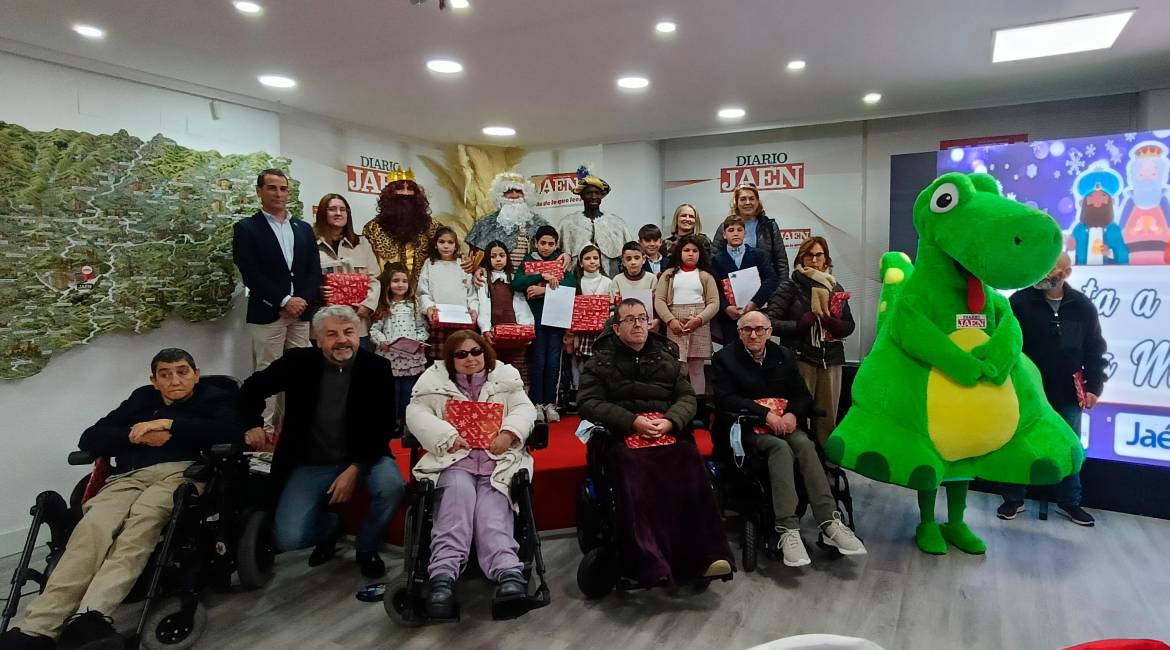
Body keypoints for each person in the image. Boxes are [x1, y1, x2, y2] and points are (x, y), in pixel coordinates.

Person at [0, 349, 244, 650]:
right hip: (127, 476)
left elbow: (232, 431)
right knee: (91, 530)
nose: (175, 380)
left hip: (180, 474)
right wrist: (133, 435)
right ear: (154, 380)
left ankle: (91, 617)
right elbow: (90, 437)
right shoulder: (142, 399)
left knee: (139, 527)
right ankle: (37, 628)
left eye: (182, 371)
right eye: (165, 374)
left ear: (196, 373)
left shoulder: (214, 397)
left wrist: (169, 425)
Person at [238, 306, 405, 578]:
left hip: (366, 456)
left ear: (358, 334)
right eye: (331, 334)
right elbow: (250, 389)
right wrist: (253, 424)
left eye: (348, 332)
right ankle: (330, 527)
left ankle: (366, 547)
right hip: (311, 460)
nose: (342, 339)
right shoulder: (298, 363)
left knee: (392, 487)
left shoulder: (376, 367)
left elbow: (384, 425)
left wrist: (356, 468)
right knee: (289, 538)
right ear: (317, 339)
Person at [577, 299, 735, 586]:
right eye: (630, 320)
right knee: (631, 465)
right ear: (616, 328)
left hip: (664, 430)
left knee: (689, 456)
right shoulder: (599, 362)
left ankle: (710, 554)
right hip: (621, 435)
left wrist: (671, 421)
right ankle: (648, 559)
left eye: (642, 318)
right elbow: (588, 402)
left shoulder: (666, 356)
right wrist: (631, 422)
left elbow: (687, 398)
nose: (638, 324)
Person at [711, 312, 867, 567]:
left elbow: (802, 395)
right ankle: (787, 529)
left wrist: (794, 414)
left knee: (805, 444)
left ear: (769, 331)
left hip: (785, 424)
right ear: (739, 332)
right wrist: (765, 415)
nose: (754, 334)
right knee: (780, 448)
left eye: (760, 329)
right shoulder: (724, 358)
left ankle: (830, 522)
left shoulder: (782, 355)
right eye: (747, 329)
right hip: (746, 429)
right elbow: (726, 399)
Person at [405, 331, 539, 619]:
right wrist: (446, 435)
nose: (470, 359)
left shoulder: (505, 379)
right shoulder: (433, 383)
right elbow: (416, 414)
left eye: (476, 352)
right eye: (461, 354)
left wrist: (509, 432)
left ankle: (508, 573)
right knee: (455, 505)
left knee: (492, 514)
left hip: (496, 461)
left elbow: (524, 409)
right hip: (455, 461)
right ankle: (442, 576)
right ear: (450, 358)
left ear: (485, 353)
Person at [997, 253, 1106, 526]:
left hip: (1068, 393)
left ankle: (1070, 502)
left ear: (1065, 273)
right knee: (1017, 444)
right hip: (1026, 392)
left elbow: (1094, 350)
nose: (1043, 276)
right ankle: (1013, 498)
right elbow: (1007, 343)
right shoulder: (1019, 302)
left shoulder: (1082, 306)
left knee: (1069, 448)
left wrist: (1094, 387)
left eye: (1050, 271)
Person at [232, 168, 321, 432]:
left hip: (301, 314)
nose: (278, 194)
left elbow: (313, 271)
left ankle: (295, 430)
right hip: (268, 313)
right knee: (267, 375)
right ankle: (265, 433)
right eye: (272, 188)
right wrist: (283, 301)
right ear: (259, 191)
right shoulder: (247, 228)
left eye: (283, 188)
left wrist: (302, 300)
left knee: (301, 376)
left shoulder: (303, 228)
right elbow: (250, 272)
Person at [763, 236, 855, 445]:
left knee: (827, 418)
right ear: (801, 258)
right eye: (809, 255)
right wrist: (798, 325)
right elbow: (769, 322)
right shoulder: (790, 286)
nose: (814, 260)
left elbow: (849, 326)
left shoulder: (835, 287)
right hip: (800, 358)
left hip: (830, 359)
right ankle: (801, 457)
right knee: (798, 413)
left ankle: (825, 462)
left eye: (819, 255)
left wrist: (834, 325)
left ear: (826, 259)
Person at [513, 225, 578, 423]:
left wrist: (544, 291)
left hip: (556, 320)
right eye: (543, 243)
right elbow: (517, 283)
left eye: (551, 244)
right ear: (535, 243)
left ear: (556, 244)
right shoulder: (528, 261)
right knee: (538, 361)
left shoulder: (560, 262)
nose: (547, 247)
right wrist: (540, 276)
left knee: (553, 362)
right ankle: (536, 404)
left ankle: (551, 403)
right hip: (535, 319)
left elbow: (571, 285)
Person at [463, 172, 567, 280]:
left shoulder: (539, 223)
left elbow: (552, 250)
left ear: (526, 194)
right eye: (508, 191)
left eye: (518, 191)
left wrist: (566, 256)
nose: (514, 195)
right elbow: (475, 256)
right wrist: (476, 267)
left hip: (531, 281)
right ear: (500, 195)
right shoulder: (485, 223)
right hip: (496, 282)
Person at [653, 235, 719, 406]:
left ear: (700, 254)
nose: (691, 254)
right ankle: (679, 405)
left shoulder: (705, 276)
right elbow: (659, 300)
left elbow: (714, 303)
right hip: (675, 324)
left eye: (695, 251)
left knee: (697, 368)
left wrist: (699, 319)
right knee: (678, 367)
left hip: (699, 324)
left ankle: (699, 407)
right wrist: (671, 320)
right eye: (686, 250)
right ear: (679, 252)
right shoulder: (668, 275)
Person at [312, 193, 381, 345]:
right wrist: (318, 291)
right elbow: (303, 279)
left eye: (343, 210)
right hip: (324, 322)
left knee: (357, 367)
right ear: (323, 213)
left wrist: (367, 306)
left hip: (356, 321)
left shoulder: (362, 243)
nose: (338, 213)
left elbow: (374, 278)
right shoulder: (310, 243)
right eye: (332, 209)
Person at [369, 263, 429, 429]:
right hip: (390, 359)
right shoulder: (384, 306)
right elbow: (374, 330)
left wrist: (420, 341)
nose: (400, 284)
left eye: (404, 281)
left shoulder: (414, 304)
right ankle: (391, 423)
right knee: (391, 393)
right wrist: (383, 342)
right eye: (396, 281)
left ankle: (407, 423)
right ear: (388, 283)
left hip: (411, 359)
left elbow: (421, 327)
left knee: (408, 393)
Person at [361, 170, 439, 287]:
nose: (406, 194)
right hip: (386, 296)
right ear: (390, 194)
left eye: (410, 189)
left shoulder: (430, 225)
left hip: (423, 295)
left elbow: (448, 248)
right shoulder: (373, 228)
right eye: (400, 188)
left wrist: (463, 259)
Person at [476, 240, 535, 387]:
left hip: (514, 332)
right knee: (494, 367)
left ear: (507, 257)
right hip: (493, 332)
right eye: (493, 256)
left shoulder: (514, 279)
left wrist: (526, 328)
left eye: (501, 255)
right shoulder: (483, 280)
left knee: (516, 367)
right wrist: (485, 329)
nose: (498, 259)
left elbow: (521, 305)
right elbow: (483, 305)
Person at [712, 215, 779, 343]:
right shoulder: (716, 260)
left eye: (739, 230)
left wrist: (755, 302)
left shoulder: (759, 255)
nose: (735, 233)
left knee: (757, 348)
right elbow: (714, 288)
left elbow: (771, 279)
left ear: (745, 233)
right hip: (730, 318)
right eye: (731, 230)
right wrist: (726, 308)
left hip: (757, 314)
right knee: (732, 354)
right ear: (724, 235)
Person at [416, 226, 479, 361]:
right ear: (435, 245)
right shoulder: (429, 264)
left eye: (450, 242)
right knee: (440, 360)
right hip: (439, 321)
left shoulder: (462, 264)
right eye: (442, 242)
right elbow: (422, 292)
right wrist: (429, 307)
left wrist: (474, 309)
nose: (446, 246)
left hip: (462, 322)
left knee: (461, 357)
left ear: (456, 245)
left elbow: (471, 293)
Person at [558, 167, 630, 276]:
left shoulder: (616, 223)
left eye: (597, 193)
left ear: (602, 195)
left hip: (610, 277)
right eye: (589, 193)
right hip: (576, 277)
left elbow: (629, 251)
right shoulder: (567, 223)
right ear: (581, 196)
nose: (593, 197)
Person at [712, 181, 790, 280]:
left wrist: (781, 291)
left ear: (757, 202)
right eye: (743, 199)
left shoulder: (769, 226)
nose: (748, 202)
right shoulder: (724, 227)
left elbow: (781, 262)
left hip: (767, 287)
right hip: (733, 288)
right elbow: (714, 259)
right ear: (736, 202)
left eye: (752, 199)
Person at [565, 245, 613, 394]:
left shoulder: (607, 282)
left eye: (595, 258)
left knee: (603, 363)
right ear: (580, 262)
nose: (592, 261)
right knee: (584, 364)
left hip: (602, 331)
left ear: (600, 261)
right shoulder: (577, 282)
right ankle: (585, 394)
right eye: (587, 258)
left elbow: (612, 305)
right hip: (583, 333)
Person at [610, 241, 658, 308]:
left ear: (643, 259)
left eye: (637, 258)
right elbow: (614, 305)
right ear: (623, 262)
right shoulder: (617, 280)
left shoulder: (652, 278)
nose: (633, 262)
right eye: (628, 259)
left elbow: (656, 303)